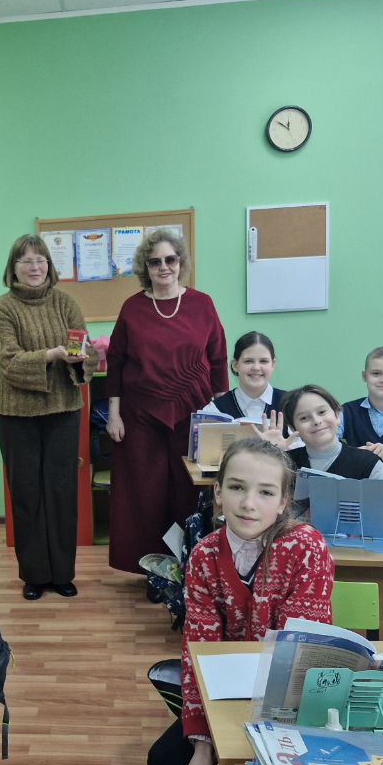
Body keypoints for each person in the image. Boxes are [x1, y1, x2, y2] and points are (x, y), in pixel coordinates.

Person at [146, 438, 334, 765]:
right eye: (236, 487)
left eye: (265, 492)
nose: (249, 503)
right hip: (223, 699)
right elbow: (198, 652)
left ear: (283, 502)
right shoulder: (204, 555)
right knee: (165, 763)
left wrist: (241, 746)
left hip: (288, 711)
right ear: (218, 492)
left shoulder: (306, 548)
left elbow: (296, 661)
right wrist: (204, 742)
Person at [107, 228, 228, 574]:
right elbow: (116, 361)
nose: (163, 267)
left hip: (194, 415)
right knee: (146, 495)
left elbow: (218, 359)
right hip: (140, 417)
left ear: (180, 262)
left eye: (170, 259)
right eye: (155, 261)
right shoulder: (133, 308)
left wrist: (224, 417)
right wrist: (114, 414)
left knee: (188, 493)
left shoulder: (202, 304)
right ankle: (153, 570)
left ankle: (189, 568)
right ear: (145, 267)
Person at [0, 234, 98, 600]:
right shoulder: (2, 308)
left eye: (41, 260)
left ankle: (62, 574)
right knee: (27, 494)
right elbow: (7, 361)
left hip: (63, 411)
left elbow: (86, 353)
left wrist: (82, 357)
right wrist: (51, 355)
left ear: (49, 265)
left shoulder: (66, 303)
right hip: (17, 415)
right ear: (14, 267)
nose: (34, 267)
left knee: (62, 492)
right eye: (26, 261)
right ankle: (34, 576)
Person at [268, 385, 383, 482]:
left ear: (337, 415)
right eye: (304, 418)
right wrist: (270, 453)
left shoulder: (366, 462)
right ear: (293, 428)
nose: (316, 421)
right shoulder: (286, 464)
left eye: (322, 412)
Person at [208, 331, 285, 422]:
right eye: (248, 361)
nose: (256, 368)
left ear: (273, 364)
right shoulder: (214, 410)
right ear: (235, 365)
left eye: (263, 361)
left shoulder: (291, 404)